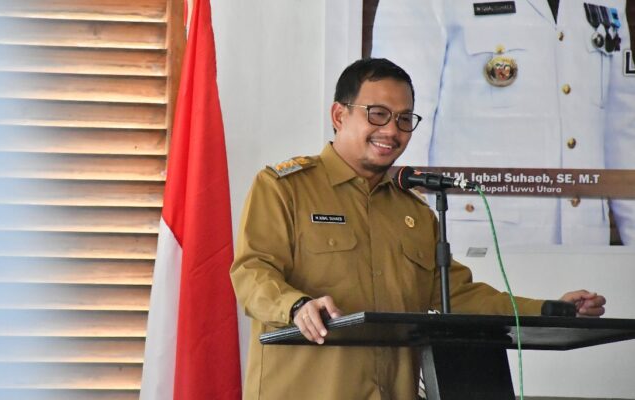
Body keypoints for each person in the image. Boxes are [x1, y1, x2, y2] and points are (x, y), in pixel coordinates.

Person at [229, 58, 607, 400]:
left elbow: (456, 294)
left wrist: (549, 309)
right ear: (339, 115)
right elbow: (251, 272)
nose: (392, 130)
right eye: (378, 114)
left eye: (404, 119)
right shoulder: (285, 188)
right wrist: (296, 306)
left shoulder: (414, 211)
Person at [371, 0, 635, 248]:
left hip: (586, 242)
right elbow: (400, 128)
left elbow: (623, 129)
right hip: (474, 245)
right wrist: (409, 248)